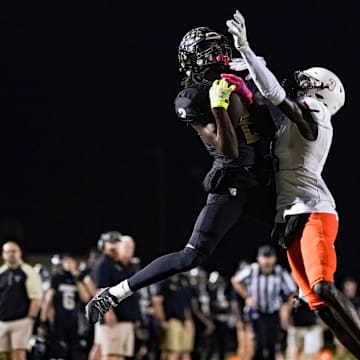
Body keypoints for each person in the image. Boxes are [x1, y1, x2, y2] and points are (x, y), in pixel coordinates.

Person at [85, 25, 283, 327]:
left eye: (220, 48)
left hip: (256, 179)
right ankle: (113, 293)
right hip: (230, 181)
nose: (220, 54)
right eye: (211, 50)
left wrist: (254, 90)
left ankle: (311, 290)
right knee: (192, 256)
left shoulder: (232, 81)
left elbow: (266, 133)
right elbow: (228, 150)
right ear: (194, 58)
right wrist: (219, 107)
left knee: (293, 225)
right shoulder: (192, 99)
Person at [225, 9, 360, 358]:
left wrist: (248, 51)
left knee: (324, 288)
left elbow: (275, 96)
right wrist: (250, 71)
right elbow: (264, 100)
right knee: (318, 305)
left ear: (321, 90)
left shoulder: (315, 112)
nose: (299, 82)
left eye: (306, 80)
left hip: (313, 211)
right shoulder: (295, 116)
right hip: (291, 216)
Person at [231, 244, 296, 359]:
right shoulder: (252, 269)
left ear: (274, 258)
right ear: (258, 258)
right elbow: (235, 280)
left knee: (272, 344)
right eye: (264, 257)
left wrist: (287, 308)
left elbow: (293, 291)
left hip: (273, 312)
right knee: (257, 343)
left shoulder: (280, 271)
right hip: (256, 312)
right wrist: (247, 296)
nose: (266, 261)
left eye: (269, 257)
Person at [39, 253, 91, 360]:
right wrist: (43, 322)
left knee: (74, 352)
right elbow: (48, 300)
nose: (69, 264)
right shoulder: (56, 278)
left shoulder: (77, 280)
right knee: (57, 352)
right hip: (58, 321)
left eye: (71, 262)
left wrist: (76, 278)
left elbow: (86, 298)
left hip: (75, 321)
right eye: (67, 262)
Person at [0, 241, 43, 360]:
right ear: (3, 254)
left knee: (18, 354)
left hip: (21, 320)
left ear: (19, 253)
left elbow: (36, 297)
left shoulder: (28, 271)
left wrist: (30, 318)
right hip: (2, 321)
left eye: (14, 251)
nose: (11, 254)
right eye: (8, 251)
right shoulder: (1, 272)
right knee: (4, 355)